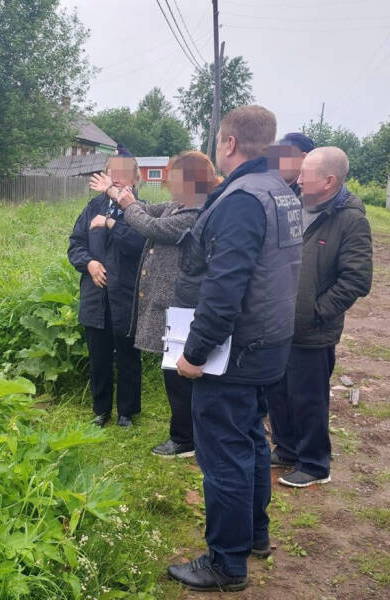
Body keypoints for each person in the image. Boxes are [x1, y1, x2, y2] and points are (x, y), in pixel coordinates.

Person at [167, 105, 303, 592]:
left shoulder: (242, 199)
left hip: (237, 352)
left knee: (224, 455)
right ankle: (255, 537)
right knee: (249, 442)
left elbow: (225, 289)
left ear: (227, 142)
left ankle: (227, 563)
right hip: (270, 343)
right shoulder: (279, 192)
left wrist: (194, 354)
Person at [92, 151, 216, 457]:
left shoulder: (196, 214)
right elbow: (148, 211)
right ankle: (188, 433)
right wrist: (119, 194)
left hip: (182, 305)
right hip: (172, 304)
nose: (167, 184)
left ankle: (185, 439)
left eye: (172, 177)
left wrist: (116, 198)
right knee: (174, 372)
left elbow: (150, 226)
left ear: (189, 181)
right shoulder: (179, 206)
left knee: (180, 373)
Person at [268, 147, 372, 487]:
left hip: (313, 330)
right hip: (278, 322)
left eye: (305, 174)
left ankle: (314, 464)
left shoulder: (350, 219)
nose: (297, 179)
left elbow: (357, 278)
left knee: (308, 397)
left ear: (328, 181)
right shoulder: (295, 204)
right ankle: (285, 448)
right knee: (278, 391)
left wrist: (316, 313)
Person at [67, 156, 145, 427]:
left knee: (128, 356)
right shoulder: (93, 207)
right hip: (95, 296)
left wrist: (112, 224)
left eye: (124, 174)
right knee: (98, 356)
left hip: (126, 295)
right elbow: (75, 245)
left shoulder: (141, 210)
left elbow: (139, 244)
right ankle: (101, 410)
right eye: (113, 173)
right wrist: (89, 264)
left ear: (135, 179)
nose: (118, 178)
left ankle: (127, 411)